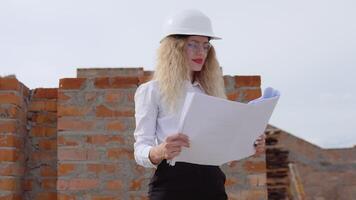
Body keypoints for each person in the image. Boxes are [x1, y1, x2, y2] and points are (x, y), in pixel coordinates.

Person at [133, 9, 265, 200]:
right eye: (192, 45)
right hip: (172, 185)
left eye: (205, 46)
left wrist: (250, 144)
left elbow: (222, 145)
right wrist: (159, 151)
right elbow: (140, 150)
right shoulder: (151, 91)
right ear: (174, 48)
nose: (200, 52)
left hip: (212, 184)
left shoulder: (210, 91)